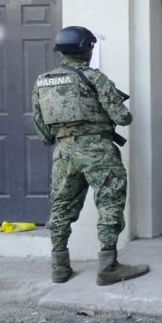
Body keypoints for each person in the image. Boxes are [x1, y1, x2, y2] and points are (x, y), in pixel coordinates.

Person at [32, 26, 149, 286]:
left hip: (63, 152)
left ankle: (59, 267)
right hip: (97, 150)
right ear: (86, 48)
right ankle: (108, 266)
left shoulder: (42, 81)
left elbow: (43, 131)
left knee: (61, 205)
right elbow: (123, 117)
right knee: (109, 201)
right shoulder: (94, 77)